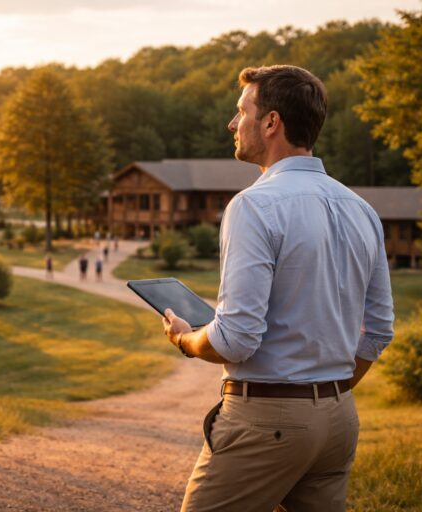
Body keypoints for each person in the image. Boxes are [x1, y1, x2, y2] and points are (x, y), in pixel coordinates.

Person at [161, 65, 394, 512]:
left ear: (271, 122)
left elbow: (237, 339)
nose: (233, 123)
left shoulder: (254, 204)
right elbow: (379, 329)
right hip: (338, 419)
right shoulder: (361, 208)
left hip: (268, 420)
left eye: (241, 111)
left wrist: (186, 338)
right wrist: (327, 393)